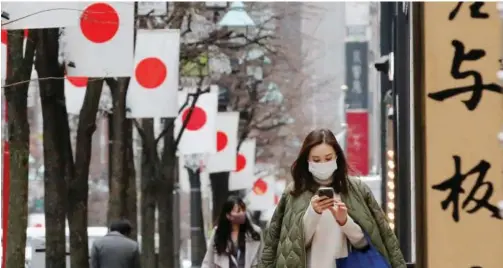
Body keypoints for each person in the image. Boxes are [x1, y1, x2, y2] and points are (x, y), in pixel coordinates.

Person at [258, 129, 406, 268]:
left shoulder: (356, 190)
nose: (323, 164)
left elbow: (367, 244)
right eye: (316, 160)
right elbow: (289, 246)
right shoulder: (294, 193)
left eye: (328, 158)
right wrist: (313, 213)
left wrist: (344, 221)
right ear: (307, 161)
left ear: (337, 157)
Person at [202, 195, 263, 268]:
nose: (242, 213)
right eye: (238, 211)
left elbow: (264, 261)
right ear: (228, 216)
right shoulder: (218, 233)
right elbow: (208, 263)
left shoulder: (255, 233)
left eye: (243, 209)